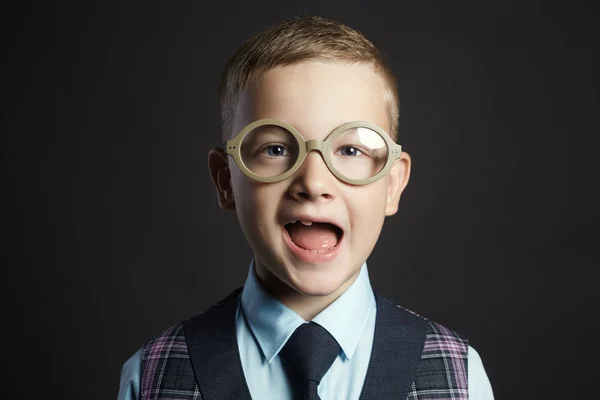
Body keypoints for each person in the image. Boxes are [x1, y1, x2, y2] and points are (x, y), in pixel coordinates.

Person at [118, 14, 494, 400]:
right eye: (276, 150)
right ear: (226, 179)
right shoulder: (151, 378)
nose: (314, 183)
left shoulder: (459, 376)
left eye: (350, 150)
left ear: (392, 185)